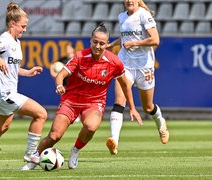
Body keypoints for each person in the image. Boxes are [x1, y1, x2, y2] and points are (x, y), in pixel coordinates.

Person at [21, 23, 143, 171]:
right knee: (54, 136)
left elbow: (125, 85)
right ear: (90, 40)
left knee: (91, 126)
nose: (98, 46)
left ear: (107, 44)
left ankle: (75, 151)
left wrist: (132, 107)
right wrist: (59, 85)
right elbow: (61, 74)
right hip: (71, 100)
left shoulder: (114, 62)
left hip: (94, 102)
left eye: (102, 43)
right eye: (95, 42)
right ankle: (33, 161)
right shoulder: (80, 56)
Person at [0, 2, 47, 172]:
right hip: (6, 93)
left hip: (3, 94)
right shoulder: (4, 39)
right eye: (23, 26)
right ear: (13, 23)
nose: (24, 30)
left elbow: (10, 67)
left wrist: (27, 72)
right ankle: (30, 154)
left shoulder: (16, 41)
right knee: (41, 114)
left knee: (1, 127)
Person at [106, 0, 169, 155]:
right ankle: (114, 140)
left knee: (148, 107)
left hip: (144, 66)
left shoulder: (144, 15)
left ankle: (161, 123)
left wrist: (136, 42)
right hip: (124, 64)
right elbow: (125, 38)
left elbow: (155, 40)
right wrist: (113, 44)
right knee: (120, 100)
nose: (128, 0)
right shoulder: (122, 16)